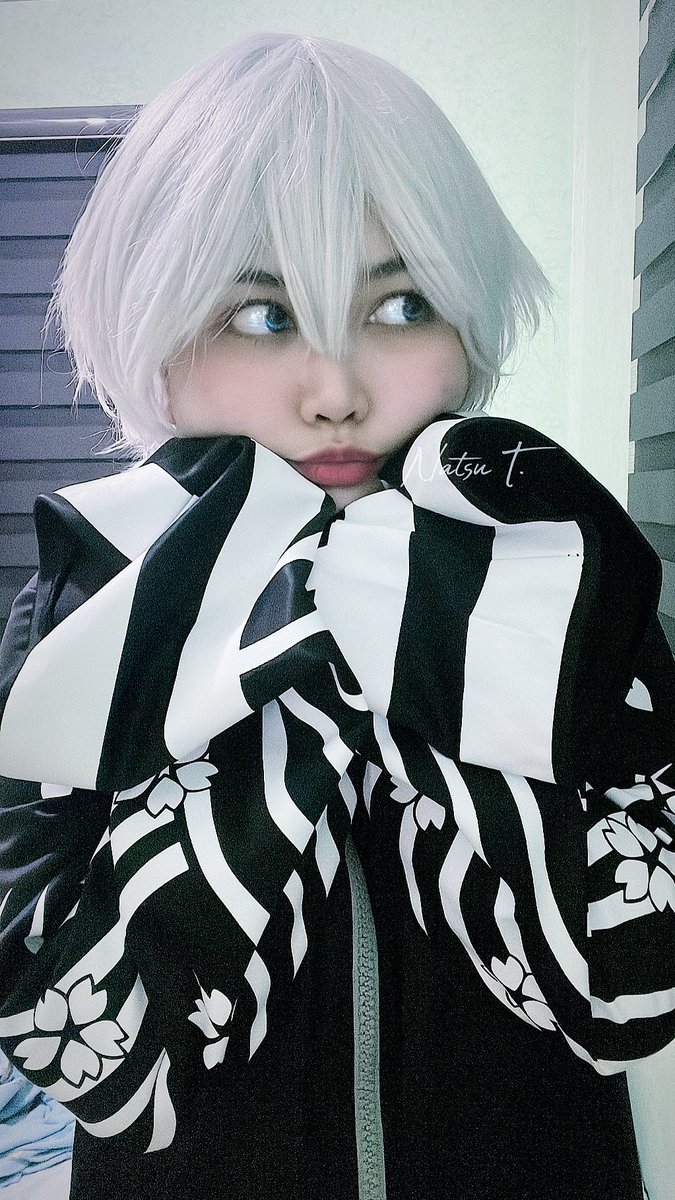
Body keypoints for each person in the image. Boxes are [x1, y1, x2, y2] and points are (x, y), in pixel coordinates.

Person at [0, 31, 674, 1200]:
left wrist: (440, 675)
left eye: (401, 305)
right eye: (262, 317)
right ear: (155, 332)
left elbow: (635, 969)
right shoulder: (92, 607)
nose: (337, 392)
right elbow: (69, 1031)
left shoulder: (553, 571)